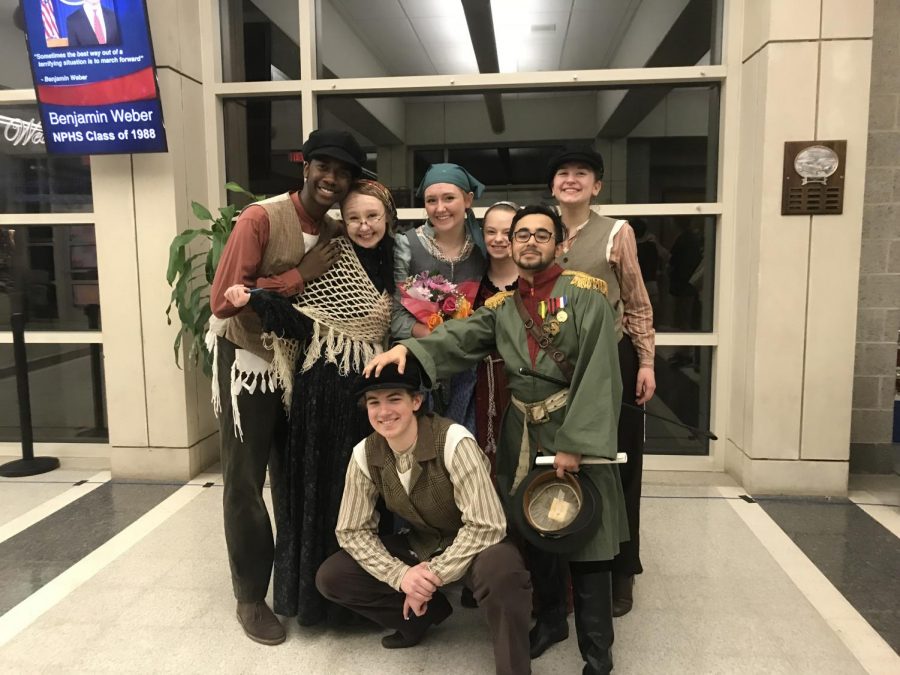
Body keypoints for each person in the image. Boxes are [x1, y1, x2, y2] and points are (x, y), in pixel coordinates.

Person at [365, 204, 628, 675]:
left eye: (541, 234)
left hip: (571, 432)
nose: (530, 242)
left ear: (559, 244)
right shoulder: (503, 308)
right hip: (522, 433)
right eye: (521, 234)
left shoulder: (587, 296)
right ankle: (550, 623)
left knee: (587, 538)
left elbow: (600, 372)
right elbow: (461, 338)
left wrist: (576, 442)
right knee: (535, 529)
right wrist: (408, 346)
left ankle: (598, 655)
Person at [208, 129, 365, 645]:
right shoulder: (260, 217)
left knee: (295, 479)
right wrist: (296, 275)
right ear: (306, 168)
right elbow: (224, 302)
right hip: (250, 363)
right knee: (246, 482)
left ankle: (295, 588)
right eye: (324, 167)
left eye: (342, 173)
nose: (332, 179)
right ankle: (250, 597)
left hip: (301, 368)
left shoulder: (338, 227)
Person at [224, 179, 396, 627]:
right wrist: (256, 300)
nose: (363, 225)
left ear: (387, 217)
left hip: (372, 397)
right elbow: (303, 318)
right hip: (323, 395)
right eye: (354, 217)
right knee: (323, 492)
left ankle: (368, 596)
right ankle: (321, 603)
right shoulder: (334, 256)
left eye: (372, 216)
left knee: (368, 493)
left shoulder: (396, 259)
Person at [315, 361, 532, 675]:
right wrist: (402, 576)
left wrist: (431, 574)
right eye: (374, 403)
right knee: (332, 575)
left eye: (394, 399)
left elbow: (487, 523)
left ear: (416, 401)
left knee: (502, 572)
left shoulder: (454, 440)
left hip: (476, 546)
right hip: (421, 543)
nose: (384, 411)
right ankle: (422, 618)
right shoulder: (365, 454)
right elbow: (352, 531)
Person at [547, 146, 656, 617]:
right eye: (563, 173)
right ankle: (568, 564)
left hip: (612, 359)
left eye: (582, 174)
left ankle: (620, 571)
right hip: (554, 363)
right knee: (563, 462)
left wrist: (647, 361)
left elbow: (636, 299)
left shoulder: (616, 232)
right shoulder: (539, 229)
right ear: (552, 185)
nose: (571, 179)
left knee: (616, 463)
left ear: (597, 186)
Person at [391, 163, 487, 432]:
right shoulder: (406, 246)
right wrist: (437, 335)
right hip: (418, 363)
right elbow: (394, 316)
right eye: (431, 200)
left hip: (468, 369)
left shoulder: (484, 249)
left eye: (449, 198)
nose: (439, 208)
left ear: (467, 200)